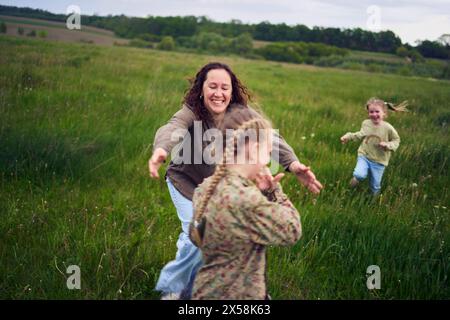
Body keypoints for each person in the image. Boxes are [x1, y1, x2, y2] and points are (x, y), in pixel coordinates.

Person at [149, 62, 322, 299]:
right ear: (201, 89)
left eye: (224, 88)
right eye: (212, 87)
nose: (218, 93)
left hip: (221, 185)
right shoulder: (191, 111)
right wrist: (161, 150)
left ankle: (206, 284)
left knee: (211, 238)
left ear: (232, 91)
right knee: (194, 237)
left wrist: (292, 163)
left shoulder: (240, 113)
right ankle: (175, 289)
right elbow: (172, 127)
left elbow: (268, 136)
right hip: (187, 184)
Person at [189, 108, 302, 300]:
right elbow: (292, 230)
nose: (268, 161)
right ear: (254, 149)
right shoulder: (246, 200)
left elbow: (196, 238)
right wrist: (273, 191)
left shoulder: (205, 188)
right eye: (268, 153)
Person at [340, 97, 408, 195]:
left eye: (377, 111)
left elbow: (396, 140)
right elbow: (360, 134)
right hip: (365, 156)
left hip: (379, 161)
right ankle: (349, 188)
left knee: (375, 185)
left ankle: (374, 202)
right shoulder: (366, 123)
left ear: (384, 113)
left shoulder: (388, 128)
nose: (374, 114)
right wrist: (348, 136)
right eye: (371, 112)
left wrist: (388, 145)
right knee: (359, 174)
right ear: (368, 113)